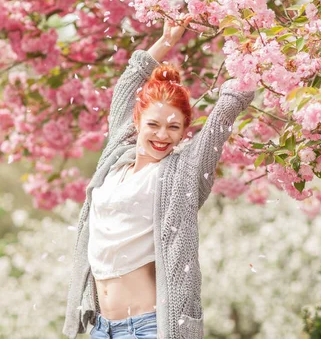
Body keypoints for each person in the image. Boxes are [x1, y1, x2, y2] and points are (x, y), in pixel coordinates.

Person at [62, 17, 255, 339]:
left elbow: (225, 112)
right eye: (154, 124)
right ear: (136, 121)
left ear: (184, 131)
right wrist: (166, 41)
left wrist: (254, 58)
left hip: (149, 327)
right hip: (101, 328)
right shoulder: (114, 160)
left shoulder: (180, 173)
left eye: (174, 127)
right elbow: (128, 84)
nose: (162, 135)